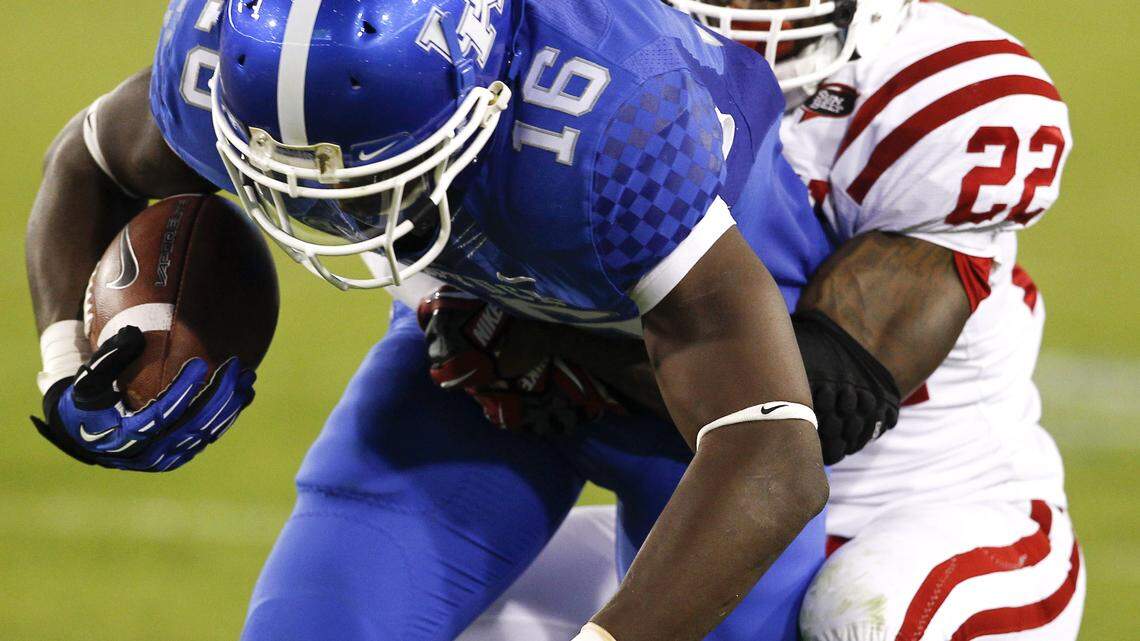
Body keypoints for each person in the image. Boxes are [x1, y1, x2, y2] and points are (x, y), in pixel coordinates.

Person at [25, 1, 843, 640]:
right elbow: (89, 160)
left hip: (703, 395)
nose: (332, 203)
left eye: (380, 174)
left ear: (478, 95)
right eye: (293, 173)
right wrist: (66, 361)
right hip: (479, 349)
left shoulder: (612, 119)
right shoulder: (220, 57)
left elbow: (772, 453)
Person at [437, 1, 1085, 640]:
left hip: (936, 511)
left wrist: (549, 344)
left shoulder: (946, 83)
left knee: (865, 616)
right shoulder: (593, 53)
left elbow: (826, 396)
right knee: (450, 613)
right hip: (719, 509)